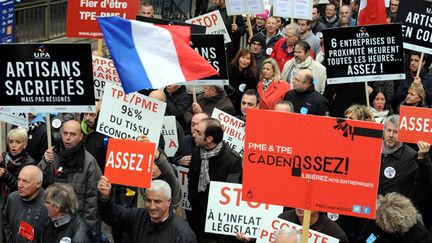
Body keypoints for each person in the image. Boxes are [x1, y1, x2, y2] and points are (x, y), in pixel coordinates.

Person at [40, 120, 102, 228]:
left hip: (77, 223)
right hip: (52, 219)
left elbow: (92, 201)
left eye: (72, 134)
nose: (67, 138)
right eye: (65, 133)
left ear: (81, 136)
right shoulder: (51, 155)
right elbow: (38, 181)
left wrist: (86, 229)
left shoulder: (89, 162)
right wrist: (45, 162)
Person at [187, 118, 242, 242]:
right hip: (198, 219)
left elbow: (233, 198)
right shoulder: (197, 153)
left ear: (209, 139)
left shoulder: (232, 161)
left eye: (198, 133)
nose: (193, 134)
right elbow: (192, 180)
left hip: (219, 227)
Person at [98, 178, 197, 242]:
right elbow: (113, 216)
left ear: (169, 201)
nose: (152, 206)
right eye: (149, 200)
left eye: (157, 201)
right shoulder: (138, 217)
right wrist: (105, 197)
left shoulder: (183, 235)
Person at [359, 192, 431, 242]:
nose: (377, 221)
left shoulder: (420, 236)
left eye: (382, 223)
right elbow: (364, 238)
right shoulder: (378, 216)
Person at [3, 165, 49, 243]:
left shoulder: (48, 204)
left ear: (38, 184)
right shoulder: (12, 198)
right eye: (19, 180)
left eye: (25, 181)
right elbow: (5, 221)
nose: (20, 185)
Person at [228, 49, 258, 115]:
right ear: (238, 58)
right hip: (227, 105)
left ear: (250, 61)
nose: (244, 60)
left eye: (247, 58)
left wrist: (234, 92)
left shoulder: (251, 77)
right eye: (243, 57)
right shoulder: (229, 70)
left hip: (240, 109)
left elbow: (250, 96)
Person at [82, 101, 107, 173]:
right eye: (85, 114)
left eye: (92, 115)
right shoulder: (79, 132)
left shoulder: (105, 136)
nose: (87, 118)